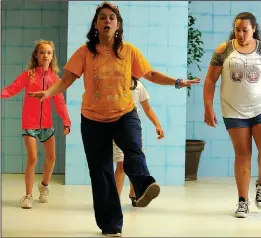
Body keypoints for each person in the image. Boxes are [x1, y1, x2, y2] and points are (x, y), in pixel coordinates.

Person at [28, 2, 200, 236]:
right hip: (93, 119)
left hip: (124, 114)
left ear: (118, 25)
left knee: (133, 148)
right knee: (101, 173)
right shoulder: (85, 52)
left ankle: (143, 185)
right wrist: (48, 93)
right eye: (102, 18)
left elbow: (149, 74)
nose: (107, 21)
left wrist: (178, 82)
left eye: (111, 18)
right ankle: (111, 226)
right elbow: (67, 79)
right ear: (96, 25)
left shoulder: (128, 50)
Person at [203, 12, 261, 218]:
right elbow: (210, 80)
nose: (241, 34)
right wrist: (208, 107)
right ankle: (243, 201)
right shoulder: (224, 49)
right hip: (234, 110)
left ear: (254, 29)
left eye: (245, 30)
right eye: (238, 29)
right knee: (243, 154)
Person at [1, 39, 71, 209]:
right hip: (30, 124)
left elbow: (60, 102)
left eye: (49, 52)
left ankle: (44, 186)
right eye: (42, 52)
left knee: (51, 158)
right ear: (36, 55)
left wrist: (66, 120)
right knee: (32, 158)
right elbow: (12, 88)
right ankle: (27, 196)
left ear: (52, 56)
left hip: (47, 125)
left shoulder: (55, 79)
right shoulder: (29, 75)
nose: (45, 55)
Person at [113, 76, 164, 207]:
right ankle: (114, 200)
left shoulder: (138, 86)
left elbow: (147, 109)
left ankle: (135, 194)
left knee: (135, 161)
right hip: (117, 129)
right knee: (121, 165)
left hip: (134, 131)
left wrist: (157, 125)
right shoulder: (113, 83)